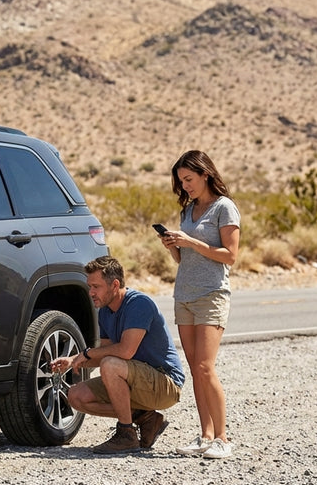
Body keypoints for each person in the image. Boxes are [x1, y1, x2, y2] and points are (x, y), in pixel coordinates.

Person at [50, 256, 185, 454]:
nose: (91, 292)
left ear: (114, 284)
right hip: (135, 380)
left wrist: (87, 353)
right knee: (76, 396)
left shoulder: (139, 304)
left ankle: (126, 434)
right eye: (90, 286)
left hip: (165, 383)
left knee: (110, 365)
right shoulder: (104, 311)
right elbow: (105, 352)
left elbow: (124, 351)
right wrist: (72, 361)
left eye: (96, 286)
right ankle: (145, 417)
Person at [160, 150, 241, 459]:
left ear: (205, 174)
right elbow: (184, 259)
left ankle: (222, 438)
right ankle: (205, 435)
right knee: (195, 368)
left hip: (212, 294)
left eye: (189, 179)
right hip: (185, 296)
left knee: (206, 367)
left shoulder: (225, 208)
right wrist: (173, 246)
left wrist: (191, 241)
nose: (186, 186)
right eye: (182, 181)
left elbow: (230, 256)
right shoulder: (188, 210)